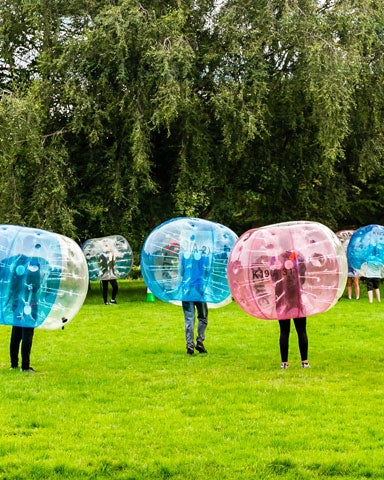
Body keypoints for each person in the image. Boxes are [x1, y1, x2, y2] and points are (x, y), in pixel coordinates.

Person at [271, 250, 310, 369]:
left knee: (284, 331)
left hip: (281, 297)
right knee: (301, 330)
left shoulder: (275, 257)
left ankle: (284, 363)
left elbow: (273, 278)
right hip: (296, 296)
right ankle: (305, 362)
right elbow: (302, 278)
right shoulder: (299, 256)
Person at [9, 256, 42, 373]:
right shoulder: (34, 262)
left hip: (17, 303)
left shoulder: (18, 260)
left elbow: (12, 284)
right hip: (29, 304)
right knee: (27, 334)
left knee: (16, 333)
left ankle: (13, 364)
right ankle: (25, 366)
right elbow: (36, 286)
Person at [180, 245, 210, 355]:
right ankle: (200, 341)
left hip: (187, 291)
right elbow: (207, 273)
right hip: (200, 291)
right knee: (203, 317)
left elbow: (182, 272)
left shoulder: (184, 256)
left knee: (189, 319)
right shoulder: (204, 256)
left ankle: (190, 346)